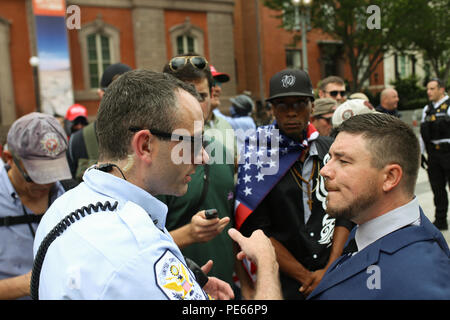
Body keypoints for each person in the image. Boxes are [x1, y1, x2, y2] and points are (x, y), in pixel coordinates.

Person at [32, 70, 280, 300]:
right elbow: (133, 269)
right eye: (192, 143)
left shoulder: (60, 208)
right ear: (145, 146)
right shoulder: (140, 253)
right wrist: (267, 267)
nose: (203, 156)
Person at [236, 69, 353, 299]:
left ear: (312, 105)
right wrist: (305, 277)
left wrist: (328, 270)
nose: (291, 113)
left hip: (335, 270)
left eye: (299, 103)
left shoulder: (331, 148)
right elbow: (256, 228)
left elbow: (346, 212)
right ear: (272, 109)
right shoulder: (258, 155)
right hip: (287, 281)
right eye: (282, 105)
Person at [309, 113, 450, 300]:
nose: (325, 170)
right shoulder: (367, 226)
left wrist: (267, 278)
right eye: (330, 158)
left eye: (343, 161)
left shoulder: (420, 282)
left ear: (390, 177)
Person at [161, 55, 249, 298]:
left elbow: (229, 225)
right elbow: (134, 247)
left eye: (200, 96)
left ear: (212, 96)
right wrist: (189, 233)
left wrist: (247, 287)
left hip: (225, 293)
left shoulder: (221, 151)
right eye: (184, 96)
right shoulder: (153, 160)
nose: (194, 104)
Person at [0, 113, 72, 299]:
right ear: (8, 157)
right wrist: (33, 281)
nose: (46, 184)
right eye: (35, 175)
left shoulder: (68, 193)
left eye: (53, 173)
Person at [67, 63, 132, 181]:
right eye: (114, 94)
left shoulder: (153, 136)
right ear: (100, 94)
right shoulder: (79, 141)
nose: (122, 100)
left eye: (128, 94)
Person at [420, 78, 450, 230]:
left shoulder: (449, 106)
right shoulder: (427, 109)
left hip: (448, 152)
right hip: (434, 155)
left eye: (432, 89)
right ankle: (440, 220)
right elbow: (422, 134)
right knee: (437, 189)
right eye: (428, 89)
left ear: (441, 89)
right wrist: (420, 153)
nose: (428, 92)